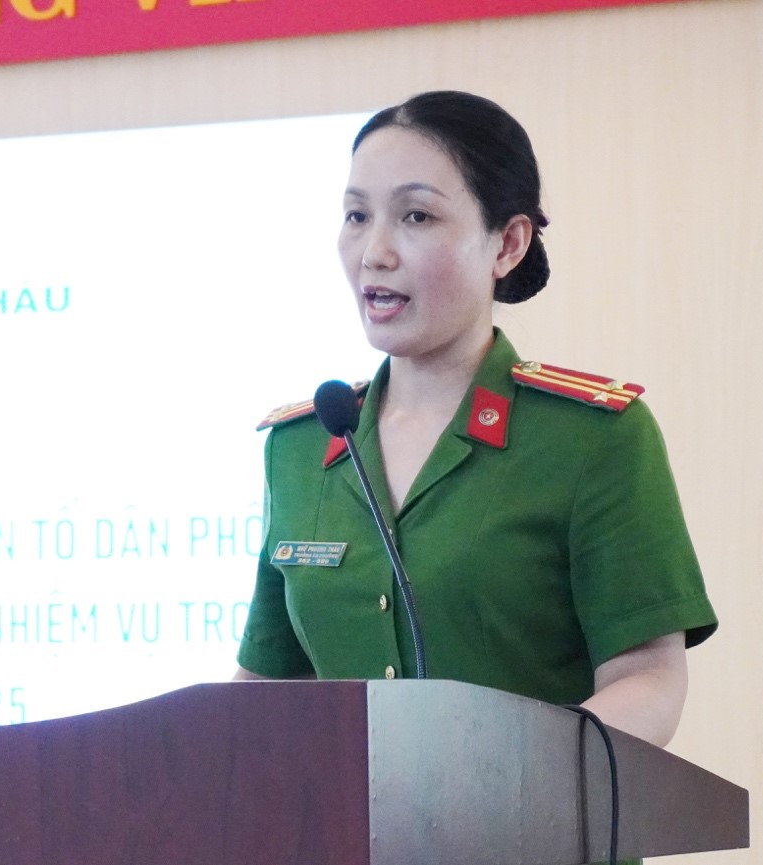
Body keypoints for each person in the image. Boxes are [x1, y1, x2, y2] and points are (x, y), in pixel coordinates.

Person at [234, 91, 716, 750]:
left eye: (415, 216)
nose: (374, 252)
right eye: (356, 215)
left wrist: (522, 778)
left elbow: (648, 676)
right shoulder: (302, 445)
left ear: (507, 244)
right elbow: (263, 688)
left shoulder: (591, 438)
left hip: (535, 815)